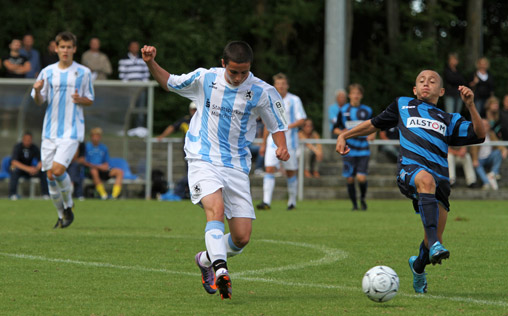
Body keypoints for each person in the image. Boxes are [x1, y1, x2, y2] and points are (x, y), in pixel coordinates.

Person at [141, 40, 289, 300]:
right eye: (233, 72)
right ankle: (221, 270)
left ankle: (207, 259)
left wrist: (282, 147)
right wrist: (151, 62)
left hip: (236, 165)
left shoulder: (262, 91)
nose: (238, 77)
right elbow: (169, 82)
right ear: (223, 64)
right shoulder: (205, 79)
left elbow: (276, 125)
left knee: (241, 238)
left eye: (244, 72)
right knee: (215, 210)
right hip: (202, 158)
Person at [336, 70, 485, 294]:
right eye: (421, 81)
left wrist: (471, 106)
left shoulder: (449, 119)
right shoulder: (403, 105)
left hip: (441, 181)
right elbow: (373, 124)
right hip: (410, 171)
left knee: (431, 238)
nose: (427, 83)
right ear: (414, 90)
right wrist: (345, 135)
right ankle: (435, 244)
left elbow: (479, 134)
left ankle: (418, 266)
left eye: (432, 81)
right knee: (425, 181)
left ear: (441, 91)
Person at [31, 31, 94, 229]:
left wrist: (80, 99)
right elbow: (39, 100)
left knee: (58, 171)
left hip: (72, 131)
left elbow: (90, 99)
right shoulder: (47, 72)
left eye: (69, 47)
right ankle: (62, 213)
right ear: (56, 48)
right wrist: (38, 90)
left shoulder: (83, 72)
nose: (65, 50)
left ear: (74, 49)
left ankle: (69, 204)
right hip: (50, 132)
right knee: (49, 176)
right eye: (62, 47)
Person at [257, 73, 306, 211]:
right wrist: (263, 143)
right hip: (272, 143)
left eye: (283, 83)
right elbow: (267, 123)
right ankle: (266, 201)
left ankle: (291, 202)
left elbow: (302, 119)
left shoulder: (294, 100)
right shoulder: (269, 99)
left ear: (287, 85)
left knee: (290, 172)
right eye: (278, 83)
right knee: (269, 169)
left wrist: (286, 126)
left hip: (289, 143)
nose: (281, 86)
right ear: (274, 85)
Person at [333, 83, 374, 211]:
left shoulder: (367, 110)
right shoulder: (343, 110)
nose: (355, 96)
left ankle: (362, 198)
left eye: (358, 93)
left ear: (361, 95)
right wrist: (342, 133)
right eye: (353, 93)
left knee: (361, 178)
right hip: (348, 150)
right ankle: (354, 205)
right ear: (349, 95)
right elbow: (335, 129)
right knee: (350, 178)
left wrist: (373, 134)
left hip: (363, 149)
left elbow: (375, 125)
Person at [156, 101, 197, 199]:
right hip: (189, 152)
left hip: (202, 152)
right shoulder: (185, 121)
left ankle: (188, 193)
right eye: (193, 109)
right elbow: (172, 127)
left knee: (194, 173)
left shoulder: (205, 119)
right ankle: (188, 193)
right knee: (190, 173)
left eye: (196, 109)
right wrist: (162, 136)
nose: (194, 111)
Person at [83, 128, 124, 199]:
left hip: (102, 170)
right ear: (91, 137)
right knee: (94, 171)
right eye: (94, 136)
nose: (96, 138)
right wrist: (96, 166)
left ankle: (114, 196)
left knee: (119, 171)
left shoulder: (103, 148)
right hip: (90, 170)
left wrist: (104, 166)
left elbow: (106, 163)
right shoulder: (87, 147)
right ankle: (103, 195)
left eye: (98, 136)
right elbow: (84, 161)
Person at [8, 131, 49, 200]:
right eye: (26, 140)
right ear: (23, 139)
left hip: (31, 171)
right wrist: (28, 169)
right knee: (14, 171)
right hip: (21, 170)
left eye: (29, 140)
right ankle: (12, 194)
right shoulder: (18, 147)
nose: (27, 141)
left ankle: (46, 194)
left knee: (43, 172)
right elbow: (14, 162)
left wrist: (36, 169)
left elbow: (41, 161)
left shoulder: (35, 148)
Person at [119, 41, 151, 127]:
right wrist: (127, 86)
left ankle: (139, 128)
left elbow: (146, 74)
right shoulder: (124, 59)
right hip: (129, 88)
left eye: (136, 46)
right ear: (129, 48)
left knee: (140, 108)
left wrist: (143, 85)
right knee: (128, 108)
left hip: (140, 88)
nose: (135, 48)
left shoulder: (143, 59)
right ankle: (126, 127)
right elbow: (122, 75)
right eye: (133, 46)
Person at [470, 119, 507, 190]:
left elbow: (498, 143)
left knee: (498, 153)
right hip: (479, 159)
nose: (486, 126)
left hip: (489, 157)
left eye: (487, 125)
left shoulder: (491, 134)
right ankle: (486, 182)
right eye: (484, 125)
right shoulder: (476, 134)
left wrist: (504, 149)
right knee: (476, 165)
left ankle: (493, 173)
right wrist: (475, 159)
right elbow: (473, 149)